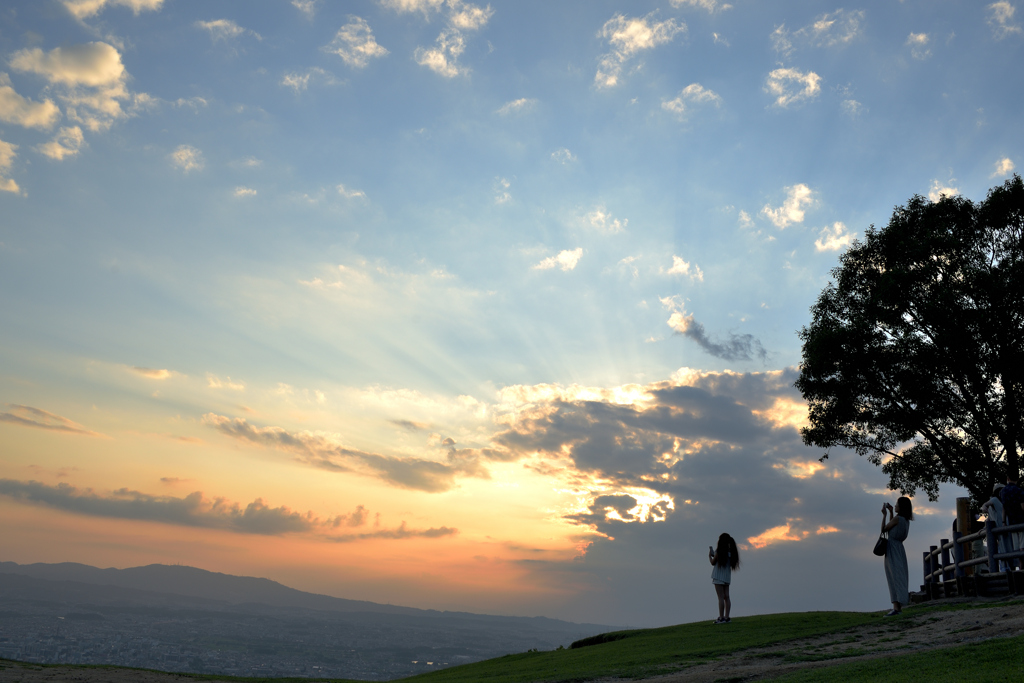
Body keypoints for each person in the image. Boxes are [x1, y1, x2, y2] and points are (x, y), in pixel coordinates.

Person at [881, 497, 913, 616]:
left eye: (896, 505)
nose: (895, 506)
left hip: (892, 548)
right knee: (899, 575)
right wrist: (890, 513)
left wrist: (884, 515)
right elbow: (893, 527)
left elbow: (884, 530)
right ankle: (898, 605)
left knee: (893, 576)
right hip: (899, 549)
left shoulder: (898, 519)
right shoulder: (904, 520)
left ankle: (896, 607)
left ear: (901, 507)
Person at [708, 533, 739, 624]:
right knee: (727, 597)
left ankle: (721, 618)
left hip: (718, 576)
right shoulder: (731, 551)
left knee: (720, 598)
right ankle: (727, 617)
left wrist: (710, 556)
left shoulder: (719, 550)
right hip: (727, 577)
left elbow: (713, 562)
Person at [981, 483, 1007, 571]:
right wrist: (985, 507)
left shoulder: (1000, 503)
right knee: (1005, 553)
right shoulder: (995, 500)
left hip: (1000, 533)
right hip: (1004, 531)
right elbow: (985, 505)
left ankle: (1004, 572)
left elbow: (987, 515)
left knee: (1002, 554)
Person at [1001, 472, 1024, 570]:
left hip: (1011, 521)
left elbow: (1004, 508)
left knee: (1016, 546)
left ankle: (1020, 566)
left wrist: (1003, 522)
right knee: (1023, 544)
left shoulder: (1003, 492)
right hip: (1021, 520)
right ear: (1017, 479)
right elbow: (1023, 507)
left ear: (1008, 478)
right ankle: (1022, 566)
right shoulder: (1020, 491)